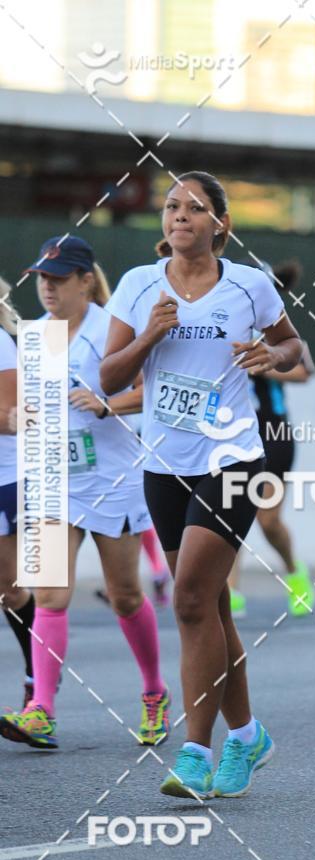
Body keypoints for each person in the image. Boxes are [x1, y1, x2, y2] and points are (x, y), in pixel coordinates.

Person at [100, 171, 303, 800]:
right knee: (210, 607)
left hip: (235, 458)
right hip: (164, 464)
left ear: (221, 224)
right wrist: (153, 335)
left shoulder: (248, 285)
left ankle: (195, 752)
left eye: (194, 208)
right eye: (170, 206)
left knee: (189, 599)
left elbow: (296, 347)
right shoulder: (138, 286)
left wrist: (274, 357)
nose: (179, 215)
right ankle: (247, 736)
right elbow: (108, 378)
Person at [0, 237, 169, 751]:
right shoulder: (35, 337)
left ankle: (154, 693)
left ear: (84, 281)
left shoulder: (109, 328)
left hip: (112, 478)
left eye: (57, 279)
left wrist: (106, 403)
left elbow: (151, 388)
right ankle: (42, 711)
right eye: (41, 279)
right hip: (53, 480)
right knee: (50, 596)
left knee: (125, 596)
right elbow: (20, 410)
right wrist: (16, 421)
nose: (46, 288)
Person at [229, 259, 315, 619]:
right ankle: (229, 593)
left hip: (273, 435)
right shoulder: (224, 321)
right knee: (227, 517)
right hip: (230, 435)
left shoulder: (276, 328)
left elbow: (304, 370)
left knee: (266, 520)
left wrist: (267, 362)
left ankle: (295, 572)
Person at [0, 276, 36, 708]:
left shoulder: (2, 344)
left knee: (9, 590)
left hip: (4, 479)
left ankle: (37, 680)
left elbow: (13, 417)